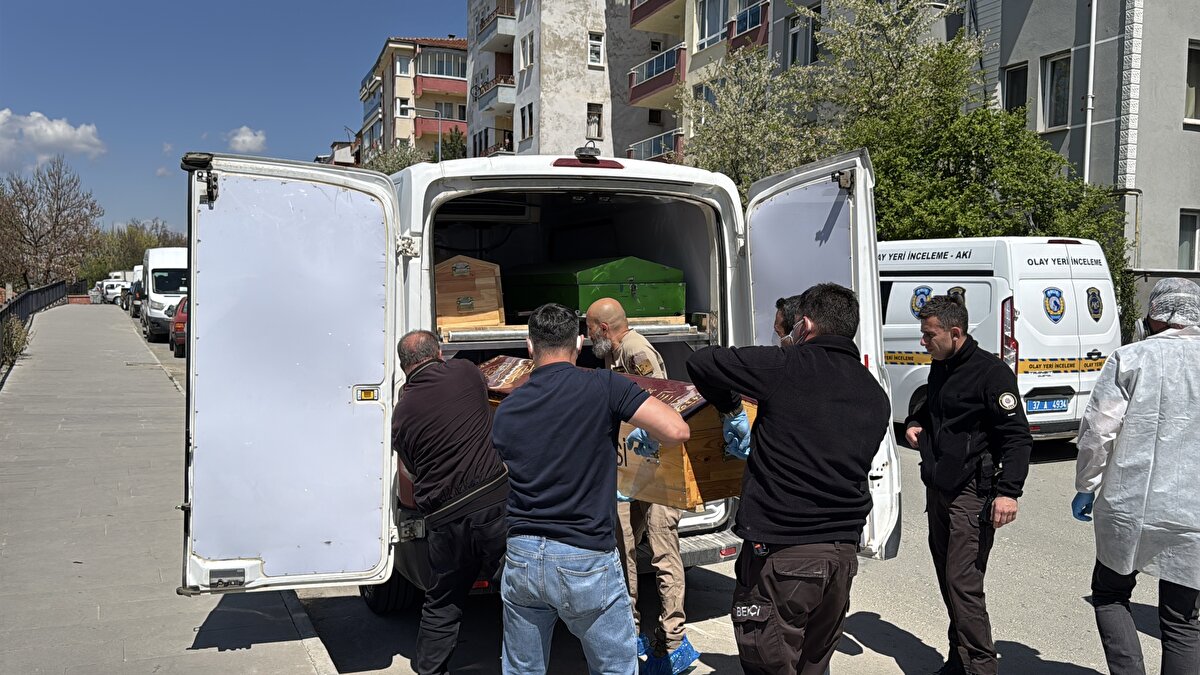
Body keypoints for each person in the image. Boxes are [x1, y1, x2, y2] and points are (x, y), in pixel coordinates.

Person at [686, 283, 891, 675]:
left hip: (783, 555)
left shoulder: (786, 366)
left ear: (805, 325)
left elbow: (704, 362)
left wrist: (730, 408)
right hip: (840, 559)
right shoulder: (874, 392)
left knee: (770, 662)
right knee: (813, 666)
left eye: (790, 328)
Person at [491, 302, 691, 675]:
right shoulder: (604, 386)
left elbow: (512, 467)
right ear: (580, 343)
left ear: (530, 346)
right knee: (615, 667)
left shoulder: (507, 407)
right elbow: (677, 430)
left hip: (521, 554)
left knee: (522, 670)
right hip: (583, 554)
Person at [1072, 278, 1200, 675]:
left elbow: (1099, 430)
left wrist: (1086, 487)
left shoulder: (1130, 358)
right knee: (1182, 622)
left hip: (1130, 504)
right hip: (1194, 514)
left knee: (1110, 595)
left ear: (1157, 315)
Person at [904, 294, 1032, 675]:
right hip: (940, 488)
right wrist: (914, 419)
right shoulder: (941, 366)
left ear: (955, 332)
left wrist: (1009, 491)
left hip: (973, 493)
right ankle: (959, 660)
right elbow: (935, 404)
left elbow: (1017, 437)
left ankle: (980, 667)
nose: (923, 342)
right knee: (949, 579)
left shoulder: (990, 373)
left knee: (963, 582)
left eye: (929, 335)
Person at [586, 297, 699, 674]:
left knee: (663, 551)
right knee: (623, 550)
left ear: (604, 329)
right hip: (629, 470)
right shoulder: (612, 353)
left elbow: (660, 400)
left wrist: (644, 437)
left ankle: (672, 641)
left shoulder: (636, 351)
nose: (586, 338)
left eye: (589, 329)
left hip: (658, 468)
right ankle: (629, 631)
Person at [390, 330, 510, 675]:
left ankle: (431, 671)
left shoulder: (401, 415)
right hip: (491, 504)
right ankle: (524, 664)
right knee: (518, 592)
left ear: (403, 366)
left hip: (444, 521)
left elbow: (411, 471)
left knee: (443, 602)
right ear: (439, 352)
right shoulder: (465, 373)